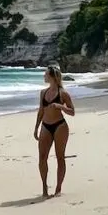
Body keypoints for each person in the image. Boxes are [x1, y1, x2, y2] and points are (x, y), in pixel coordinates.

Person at [34, 65, 75, 197]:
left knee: (60, 157)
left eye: (45, 74)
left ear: (52, 77)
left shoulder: (63, 93)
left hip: (60, 126)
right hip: (45, 126)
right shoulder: (43, 93)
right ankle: (44, 188)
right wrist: (36, 127)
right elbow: (41, 110)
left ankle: (58, 188)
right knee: (42, 158)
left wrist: (60, 106)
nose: (44, 76)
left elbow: (72, 112)